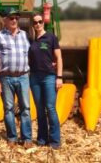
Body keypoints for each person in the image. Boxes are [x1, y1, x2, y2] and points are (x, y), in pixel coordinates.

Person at [0, 7, 33, 149]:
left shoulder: (26, 35)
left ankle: (27, 138)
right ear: (5, 20)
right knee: (8, 109)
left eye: (16, 18)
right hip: (5, 78)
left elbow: (34, 53)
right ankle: (12, 138)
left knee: (25, 108)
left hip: (23, 77)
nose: (14, 20)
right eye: (11, 18)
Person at [29, 13, 63, 149]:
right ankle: (42, 139)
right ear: (32, 24)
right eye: (35, 22)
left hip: (49, 77)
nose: (37, 24)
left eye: (40, 21)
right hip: (35, 77)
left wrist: (59, 77)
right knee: (40, 110)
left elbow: (59, 58)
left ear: (44, 23)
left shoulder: (51, 37)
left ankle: (55, 141)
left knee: (50, 108)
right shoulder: (31, 40)